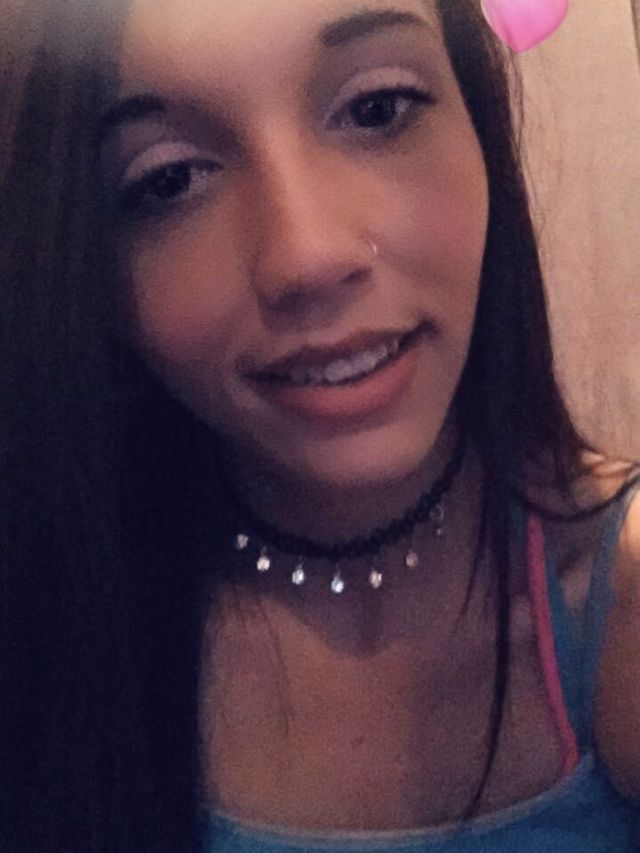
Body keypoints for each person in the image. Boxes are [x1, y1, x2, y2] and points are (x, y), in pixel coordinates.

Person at [1, 0, 639, 850]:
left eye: (377, 108)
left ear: (478, 123)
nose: (307, 255)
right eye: (169, 179)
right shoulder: (46, 626)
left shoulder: (617, 597)